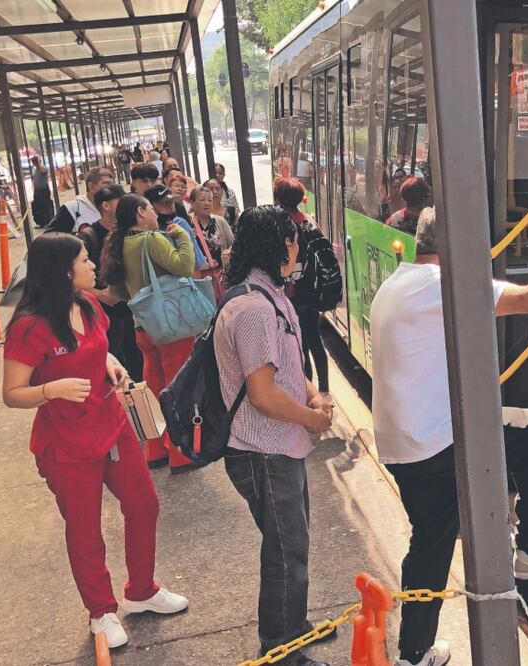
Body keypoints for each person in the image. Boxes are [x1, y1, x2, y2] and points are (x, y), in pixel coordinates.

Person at [370, 208, 528, 666]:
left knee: (431, 541)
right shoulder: (441, 286)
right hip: (435, 443)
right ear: (459, 246)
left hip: (405, 442)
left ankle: (415, 653)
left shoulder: (398, 282)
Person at [2, 232, 188, 649]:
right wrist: (52, 390)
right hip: (66, 441)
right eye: (85, 259)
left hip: (112, 423)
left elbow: (95, 348)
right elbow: (12, 393)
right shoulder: (29, 327)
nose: (93, 265)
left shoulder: (88, 305)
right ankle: (101, 611)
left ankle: (141, 591)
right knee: (84, 529)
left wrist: (111, 363)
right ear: (65, 270)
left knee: (144, 504)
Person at [214, 205, 333, 664]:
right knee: (285, 554)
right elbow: (262, 394)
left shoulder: (272, 297)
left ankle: (294, 628)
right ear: (279, 244)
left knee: (292, 546)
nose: (298, 249)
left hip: (280, 447)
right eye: (294, 241)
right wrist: (308, 417)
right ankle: (281, 650)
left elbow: (286, 366)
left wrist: (312, 393)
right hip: (262, 450)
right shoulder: (251, 309)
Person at [101, 193, 199, 472]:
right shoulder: (151, 239)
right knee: (177, 387)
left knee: (155, 387)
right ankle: (181, 452)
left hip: (143, 327)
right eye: (150, 209)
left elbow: (118, 292)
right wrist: (182, 237)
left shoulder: (120, 244)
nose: (157, 213)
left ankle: (156, 449)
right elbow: (184, 267)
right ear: (141, 213)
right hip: (170, 327)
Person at [77, 183, 142, 380]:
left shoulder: (128, 231)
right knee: (111, 361)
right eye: (119, 201)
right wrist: (99, 295)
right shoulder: (89, 236)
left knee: (137, 361)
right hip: (105, 315)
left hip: (133, 311)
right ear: (106, 206)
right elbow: (71, 280)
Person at [273, 177, 329, 395]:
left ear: (279, 197)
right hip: (311, 289)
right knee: (314, 337)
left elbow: (282, 259)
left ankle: (308, 391)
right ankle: (324, 390)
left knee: (300, 343)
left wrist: (287, 282)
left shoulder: (280, 224)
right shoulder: (308, 220)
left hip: (292, 291)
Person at [47, 167, 114, 234]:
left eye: (113, 184)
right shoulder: (72, 208)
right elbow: (50, 237)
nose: (111, 188)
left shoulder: (114, 207)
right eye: (106, 184)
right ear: (92, 187)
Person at [189, 185, 234, 263]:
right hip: (197, 273)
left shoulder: (220, 221)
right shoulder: (187, 222)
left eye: (210, 200)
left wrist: (228, 252)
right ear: (192, 203)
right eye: (202, 200)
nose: (207, 203)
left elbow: (232, 243)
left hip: (220, 272)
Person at [213, 163, 241, 227]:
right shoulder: (205, 191)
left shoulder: (230, 192)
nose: (217, 175)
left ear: (224, 175)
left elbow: (236, 213)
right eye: (215, 173)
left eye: (220, 173)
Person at [30, 155, 54, 228]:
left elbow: (43, 172)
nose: (34, 164)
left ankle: (48, 222)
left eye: (35, 162)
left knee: (45, 206)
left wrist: (39, 165)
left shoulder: (43, 168)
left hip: (44, 190)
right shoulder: (34, 170)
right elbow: (34, 180)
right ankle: (40, 222)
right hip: (37, 190)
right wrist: (34, 188)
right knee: (37, 206)